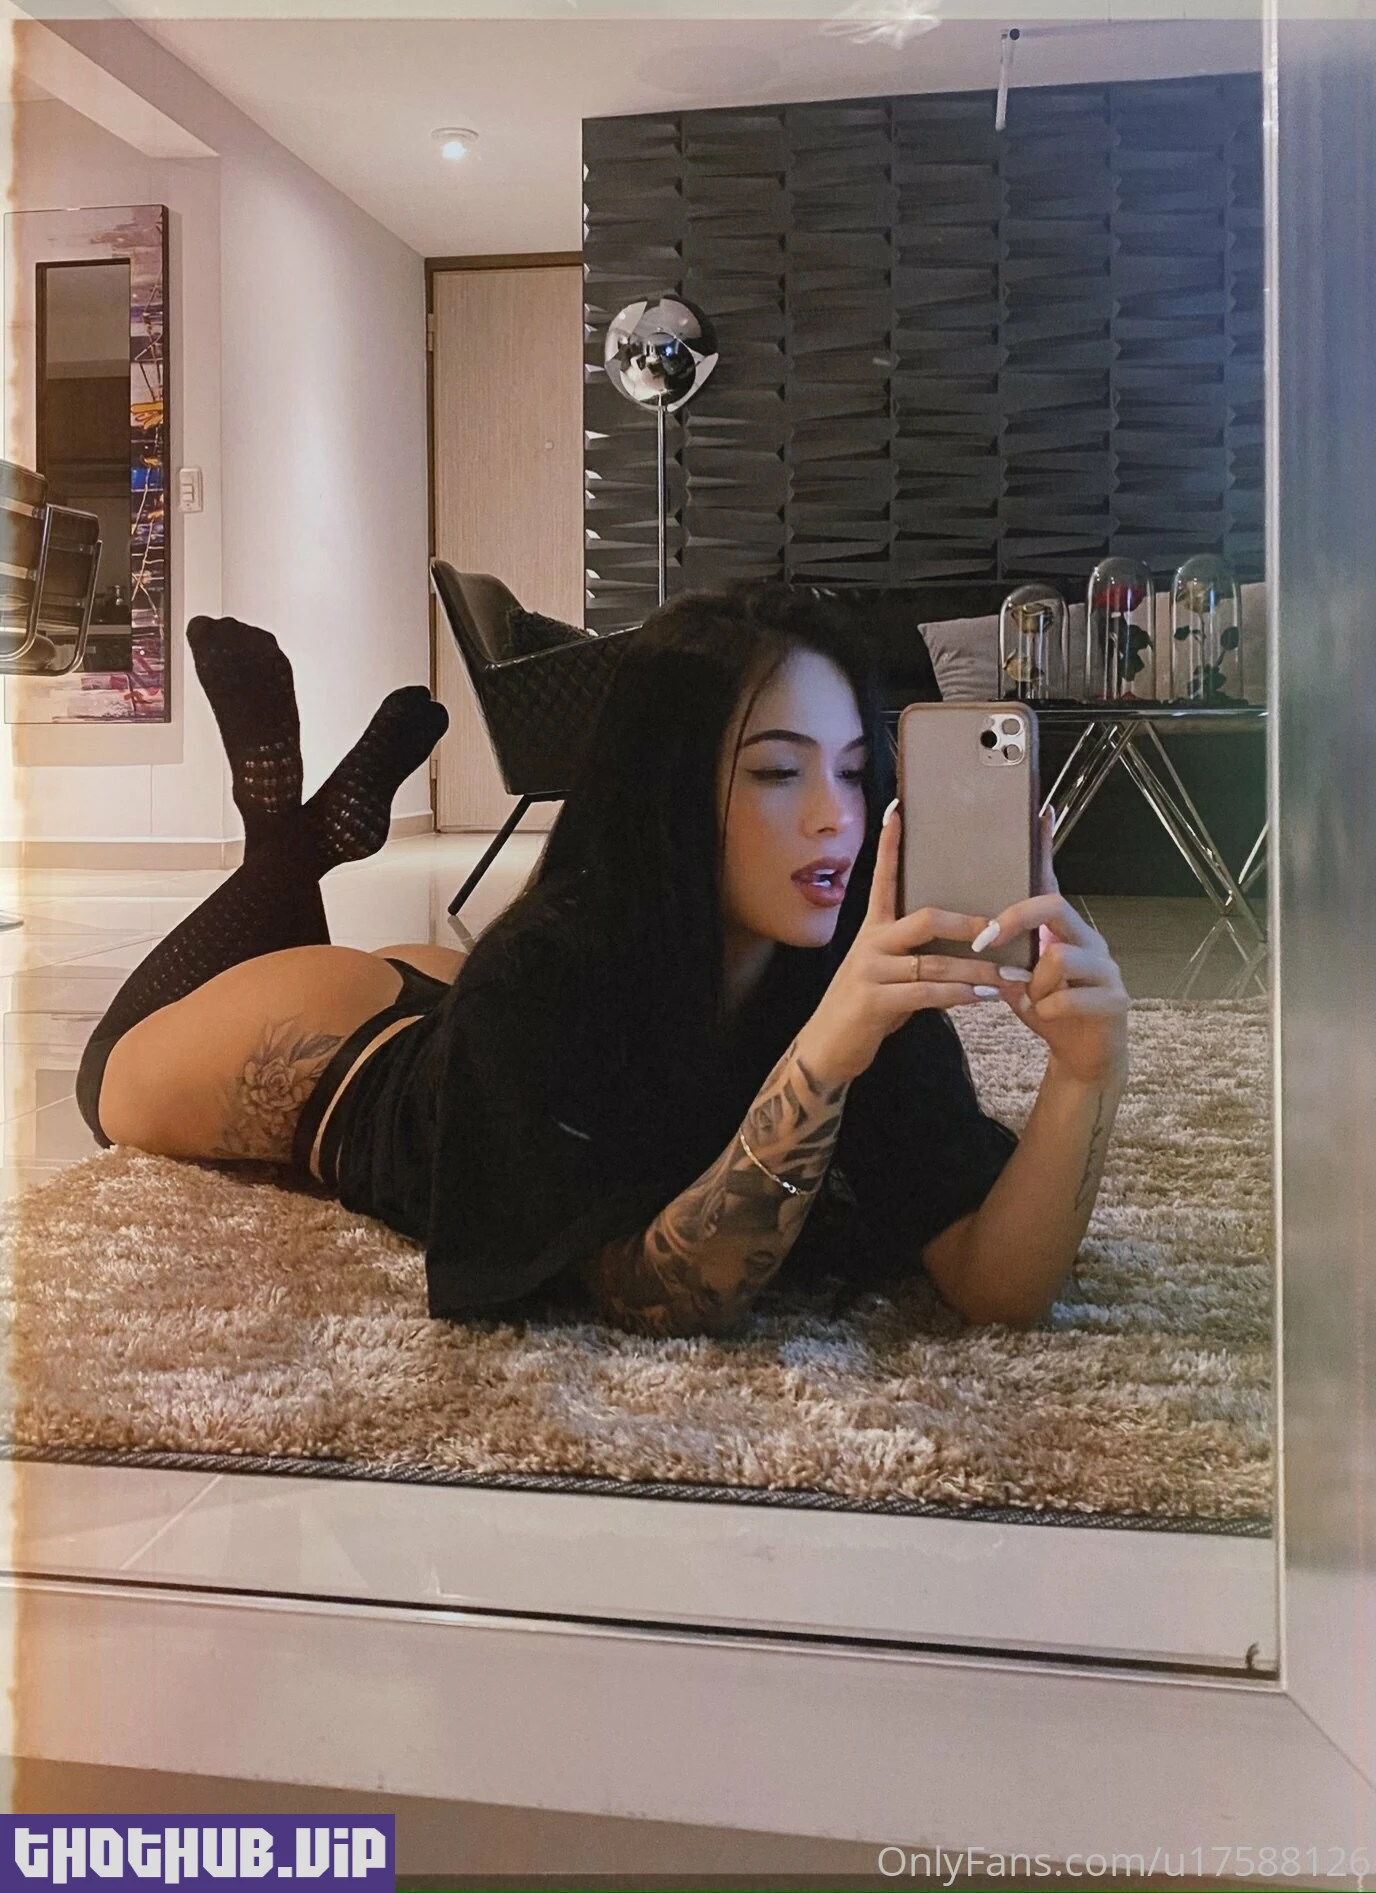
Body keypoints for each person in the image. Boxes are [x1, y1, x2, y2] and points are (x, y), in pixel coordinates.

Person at [76, 586, 1129, 1337]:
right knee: (108, 1078)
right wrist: (823, 1057)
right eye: (777, 773)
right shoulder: (542, 979)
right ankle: (286, 837)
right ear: (668, 785)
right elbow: (655, 1293)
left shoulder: (849, 972)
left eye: (854, 773)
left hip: (491, 1015)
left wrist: (1085, 1075)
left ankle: (306, 834)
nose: (835, 820)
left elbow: (993, 1284)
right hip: (346, 1048)